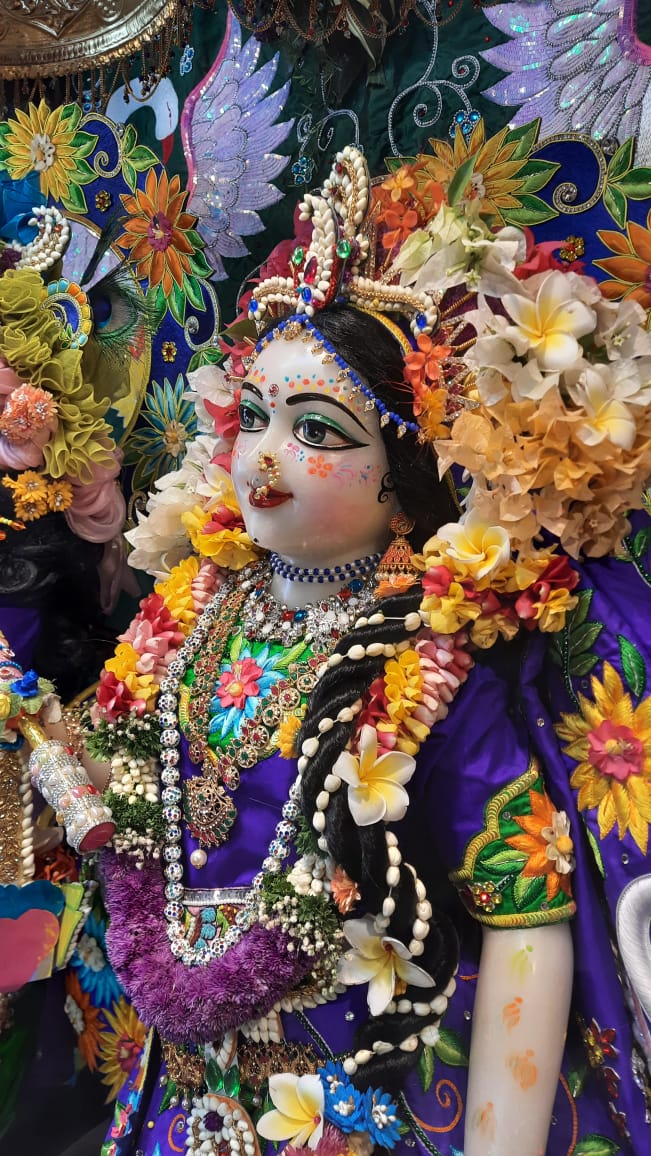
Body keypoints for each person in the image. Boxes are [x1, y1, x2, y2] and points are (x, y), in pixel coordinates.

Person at [78, 143, 650, 1156]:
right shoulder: (192, 608)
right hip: (182, 1088)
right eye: (256, 417)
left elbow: (523, 913)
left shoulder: (430, 650)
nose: (265, 455)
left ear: (405, 475)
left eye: (318, 431)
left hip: (362, 1088)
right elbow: (120, 804)